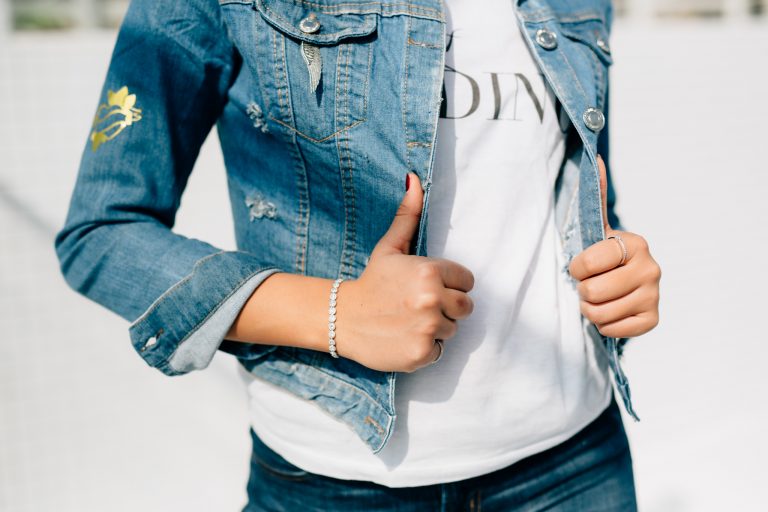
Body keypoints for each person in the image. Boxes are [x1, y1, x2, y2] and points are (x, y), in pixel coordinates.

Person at [55, 0, 661, 509]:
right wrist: (337, 314)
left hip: (577, 462)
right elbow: (103, 232)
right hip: (336, 482)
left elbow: (580, 192)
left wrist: (618, 274)